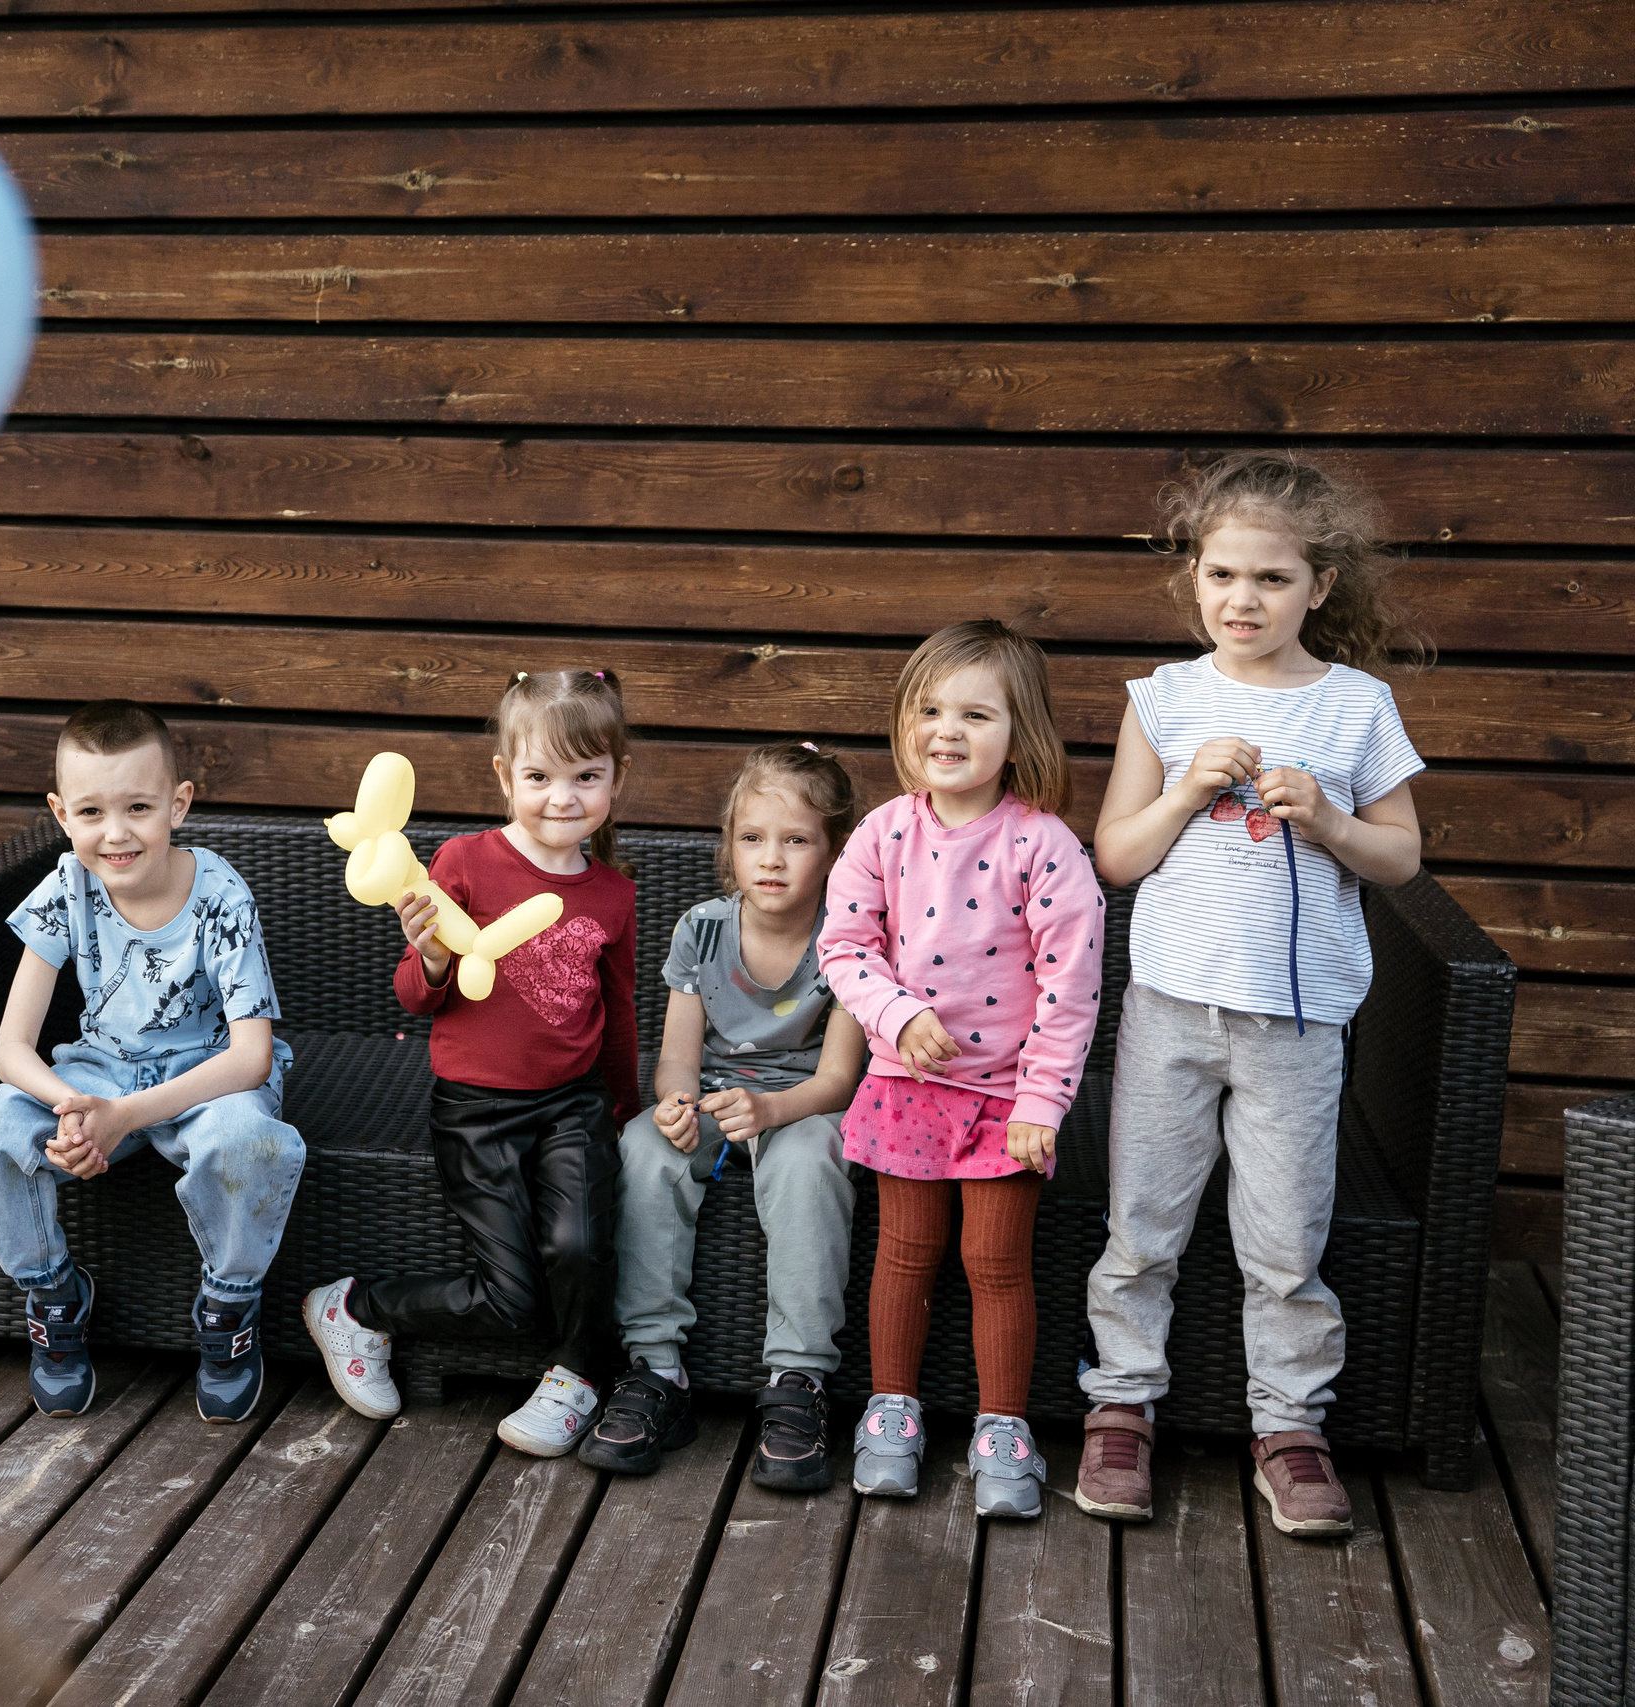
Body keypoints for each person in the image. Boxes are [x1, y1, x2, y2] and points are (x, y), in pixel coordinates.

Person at [1077, 451, 1426, 1540]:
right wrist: (1186, 788)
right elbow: (1116, 857)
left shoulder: (1357, 708)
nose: (1242, 599)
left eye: (1271, 580)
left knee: (1284, 1243)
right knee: (1141, 1224)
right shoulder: (1166, 699)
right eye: (1221, 574)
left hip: (1296, 1025)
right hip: (1172, 1010)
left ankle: (1288, 1425)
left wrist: (1325, 820)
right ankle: (1121, 1405)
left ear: (1320, 587)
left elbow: (1401, 858)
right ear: (1193, 577)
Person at [304, 669, 641, 1457]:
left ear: (617, 779)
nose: (563, 796)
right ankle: (358, 1308)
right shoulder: (463, 861)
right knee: (513, 1295)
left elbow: (618, 1012)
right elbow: (414, 1000)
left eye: (587, 776)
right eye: (540, 776)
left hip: (571, 1105)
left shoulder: (613, 895)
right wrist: (425, 955)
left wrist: (622, 1109)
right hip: (475, 1110)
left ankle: (577, 1376)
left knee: (581, 1246)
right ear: (504, 776)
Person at [0, 701, 305, 1425]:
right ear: (60, 813)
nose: (116, 832)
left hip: (206, 1077)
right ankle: (54, 1292)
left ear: (179, 803)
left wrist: (123, 1117)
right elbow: (11, 1050)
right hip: (95, 1074)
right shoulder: (64, 890)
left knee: (250, 1143)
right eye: (92, 811)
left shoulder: (221, 896)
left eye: (139, 806)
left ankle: (229, 1308)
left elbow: (251, 1055)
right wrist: (73, 1107)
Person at [817, 621, 1105, 1520]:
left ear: (1020, 736)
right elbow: (845, 945)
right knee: (904, 1252)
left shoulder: (1042, 845)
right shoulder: (882, 832)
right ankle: (891, 1409)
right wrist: (898, 1016)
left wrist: (1043, 1103)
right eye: (929, 709)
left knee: (994, 1261)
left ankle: (1002, 1427)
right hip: (909, 1084)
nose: (947, 729)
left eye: (975, 714)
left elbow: (1072, 985)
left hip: (1006, 1100)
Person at [580, 744, 868, 1489]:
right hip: (715, 1095)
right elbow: (677, 1058)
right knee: (643, 1148)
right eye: (752, 838)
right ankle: (655, 1369)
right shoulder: (702, 930)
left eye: (797, 839)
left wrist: (772, 1107)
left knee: (810, 1161)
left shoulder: (851, 939)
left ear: (835, 851)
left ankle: (798, 1381)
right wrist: (674, 1105)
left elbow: (839, 1079)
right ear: (730, 846)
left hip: (802, 1104)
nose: (771, 859)